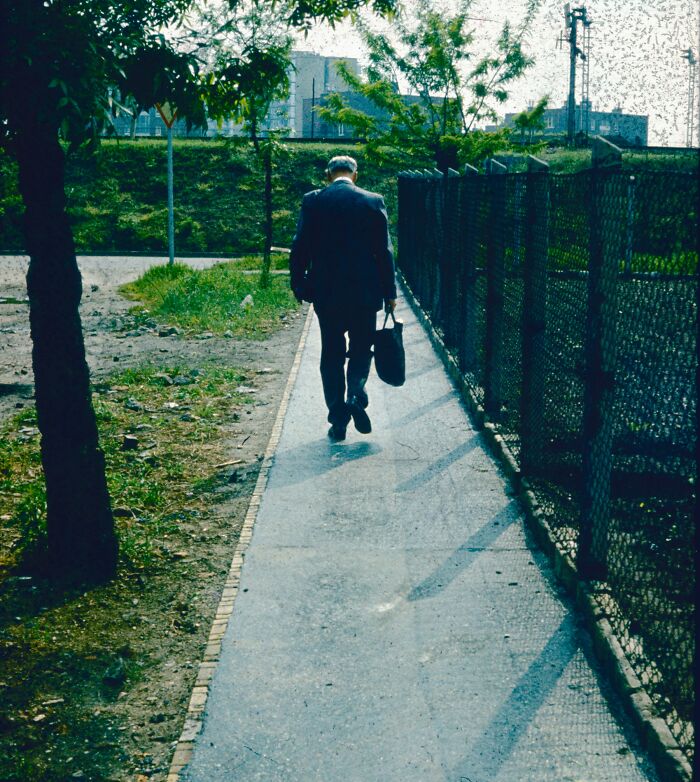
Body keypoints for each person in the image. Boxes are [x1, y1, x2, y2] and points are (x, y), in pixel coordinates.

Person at [290, 155, 397, 442]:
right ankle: (356, 394)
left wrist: (298, 284)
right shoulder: (372, 201)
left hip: (327, 293)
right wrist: (390, 292)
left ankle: (338, 419)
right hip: (365, 293)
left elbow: (300, 245)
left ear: (328, 175)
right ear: (355, 175)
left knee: (332, 353)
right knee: (361, 349)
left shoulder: (313, 201)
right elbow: (384, 251)